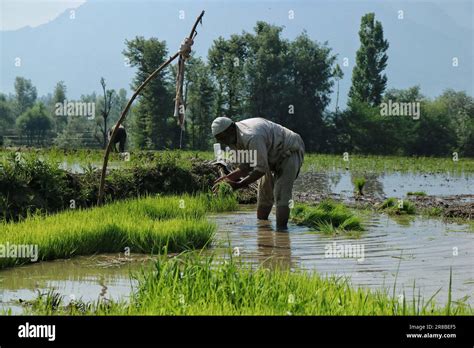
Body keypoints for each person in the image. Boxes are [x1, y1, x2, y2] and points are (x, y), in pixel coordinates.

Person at [211, 117, 305, 229]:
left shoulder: (252, 136)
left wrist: (238, 185)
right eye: (219, 139)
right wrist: (227, 179)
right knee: (264, 193)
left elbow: (261, 169)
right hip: (269, 156)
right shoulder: (232, 141)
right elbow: (246, 166)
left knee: (281, 193)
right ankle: (262, 228)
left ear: (231, 128)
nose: (222, 141)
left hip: (289, 150)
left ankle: (281, 233)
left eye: (222, 137)